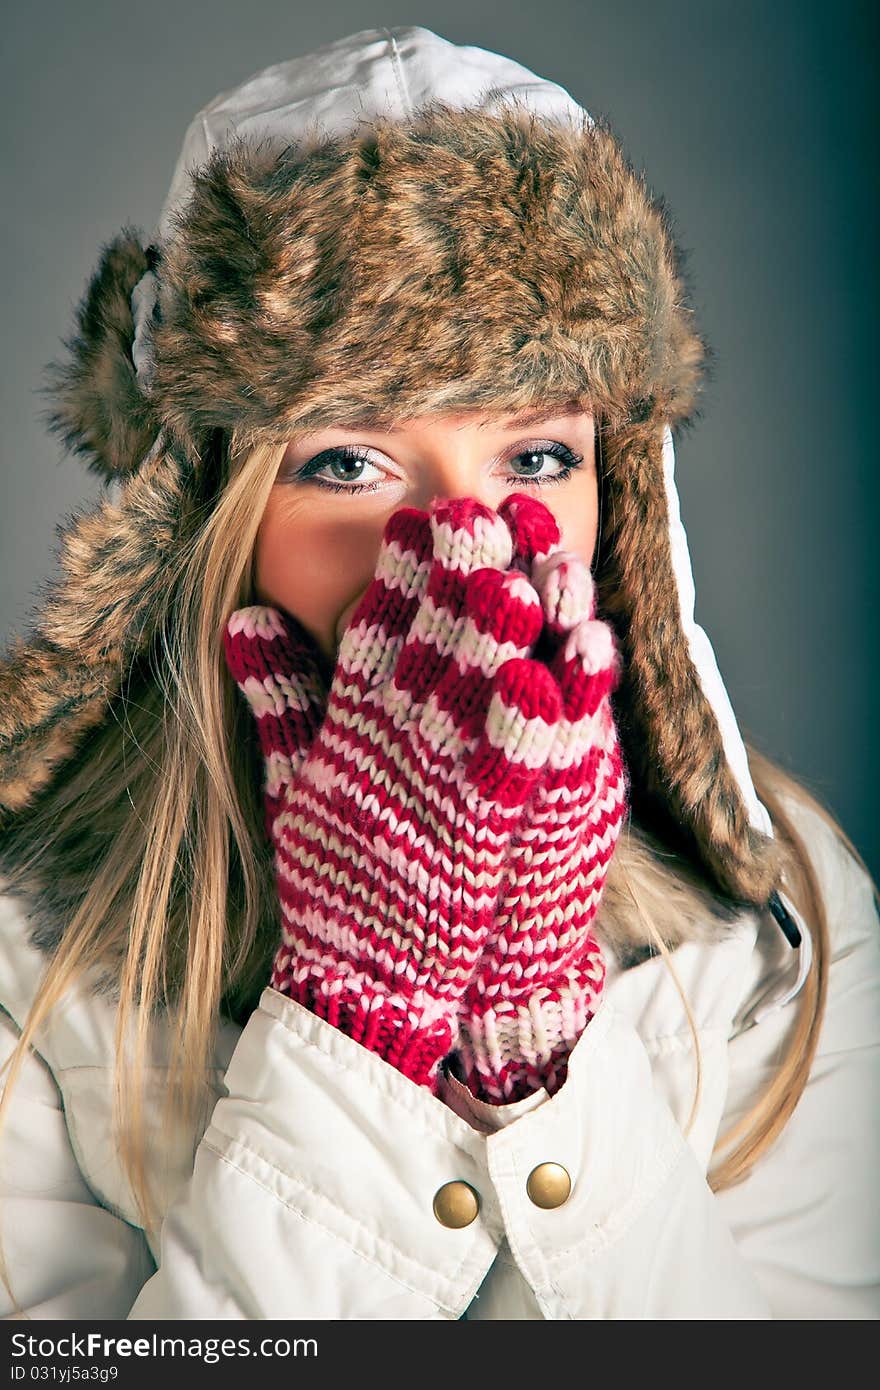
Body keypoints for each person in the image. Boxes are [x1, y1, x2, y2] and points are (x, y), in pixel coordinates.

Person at [0, 25, 877, 1321]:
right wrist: (361, 1027)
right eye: (347, 462)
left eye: (534, 458)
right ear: (209, 514)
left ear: (618, 498)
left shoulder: (787, 903)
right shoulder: (28, 942)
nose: (465, 540)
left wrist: (540, 1065)